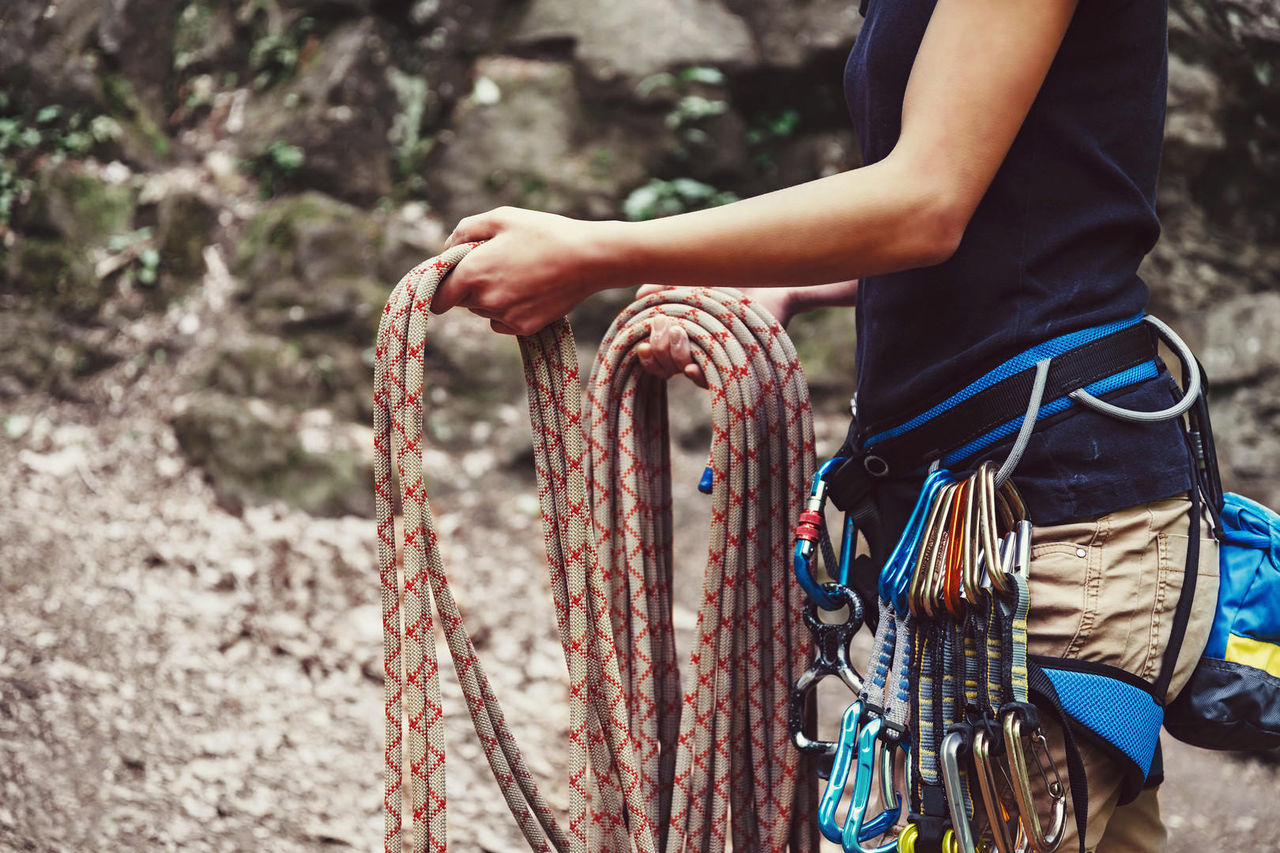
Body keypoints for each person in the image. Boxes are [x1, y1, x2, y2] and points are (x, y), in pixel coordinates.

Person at [430, 0, 1220, 849]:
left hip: (1054, 537)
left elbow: (925, 201)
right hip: (996, 539)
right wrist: (795, 279)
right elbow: (1021, 200)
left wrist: (601, 251)